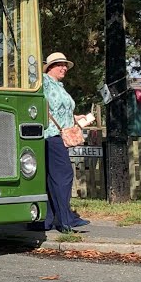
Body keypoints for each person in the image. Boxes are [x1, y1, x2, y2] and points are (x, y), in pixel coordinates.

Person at [37, 52, 91, 233]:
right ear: (50, 67)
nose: (64, 68)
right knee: (64, 175)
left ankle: (46, 220)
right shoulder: (43, 82)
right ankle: (65, 219)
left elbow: (58, 108)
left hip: (59, 135)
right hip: (50, 134)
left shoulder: (59, 86)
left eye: (65, 65)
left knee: (53, 178)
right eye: (60, 64)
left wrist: (75, 117)